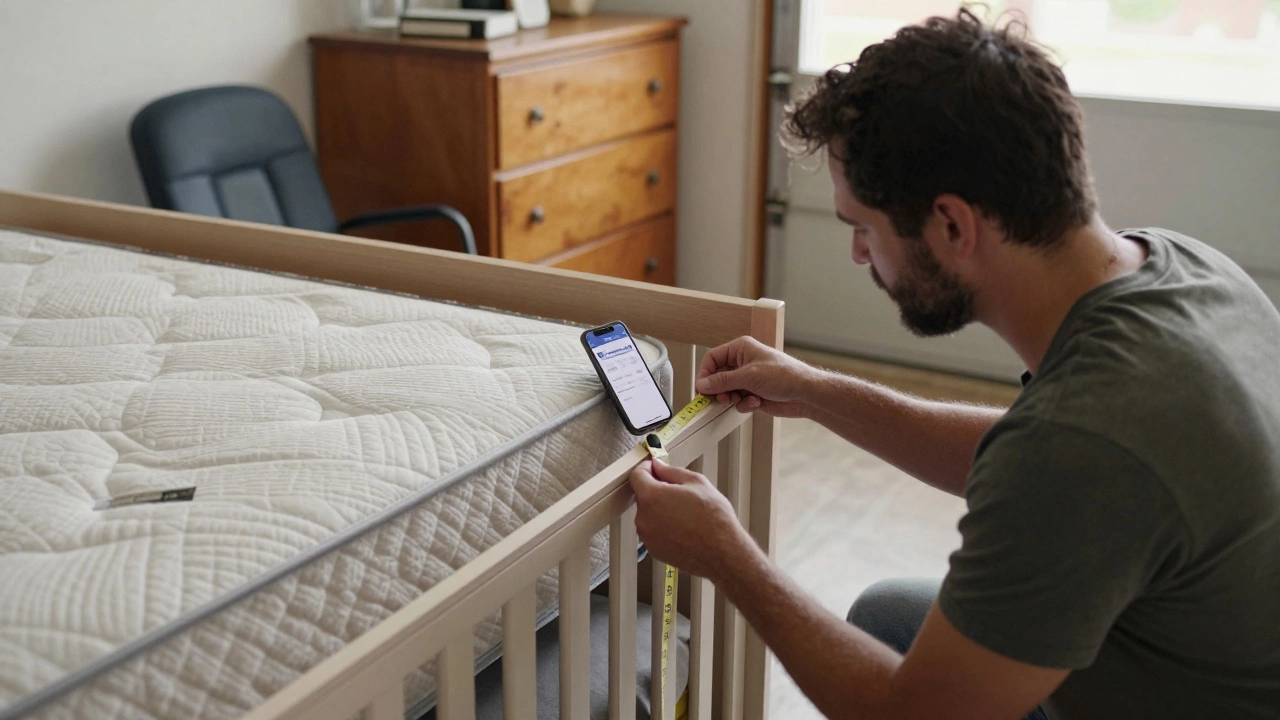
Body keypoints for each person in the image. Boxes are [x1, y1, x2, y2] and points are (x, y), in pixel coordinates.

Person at [628, 9, 1280, 720]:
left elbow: (913, 713)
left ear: (952, 225)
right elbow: (1028, 458)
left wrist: (729, 558)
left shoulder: (1086, 444)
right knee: (888, 615)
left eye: (863, 228)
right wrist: (813, 391)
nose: (857, 254)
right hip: (1182, 648)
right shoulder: (1179, 267)